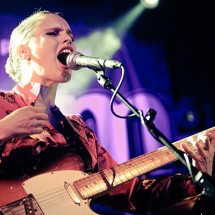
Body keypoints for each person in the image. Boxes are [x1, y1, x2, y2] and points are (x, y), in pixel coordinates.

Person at [0, 9, 214, 215]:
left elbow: (133, 193)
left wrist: (197, 178)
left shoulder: (78, 131)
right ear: (23, 50)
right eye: (53, 33)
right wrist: (3, 129)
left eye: (70, 35)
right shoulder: (3, 105)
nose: (67, 40)